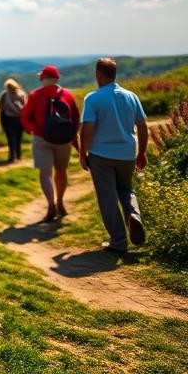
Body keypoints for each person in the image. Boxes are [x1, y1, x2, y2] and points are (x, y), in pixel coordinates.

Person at [79, 57, 149, 255]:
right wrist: (142, 152)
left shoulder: (92, 98)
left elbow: (88, 129)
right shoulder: (131, 96)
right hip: (127, 154)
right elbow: (143, 127)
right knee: (126, 189)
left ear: (98, 74)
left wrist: (83, 153)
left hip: (101, 154)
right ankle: (134, 215)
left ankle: (118, 241)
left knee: (107, 197)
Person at [20, 65, 80, 221]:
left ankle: (50, 203)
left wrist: (35, 130)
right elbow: (75, 118)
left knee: (45, 173)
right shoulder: (68, 95)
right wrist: (73, 137)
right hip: (64, 140)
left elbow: (25, 117)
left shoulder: (35, 95)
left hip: (42, 139)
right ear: (57, 78)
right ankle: (60, 202)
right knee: (61, 171)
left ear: (43, 78)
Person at [0, 78, 27, 163]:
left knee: (11, 138)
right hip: (19, 118)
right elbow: (25, 106)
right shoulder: (22, 93)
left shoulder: (4, 94)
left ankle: (12, 157)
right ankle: (19, 155)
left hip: (8, 118)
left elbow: (0, 107)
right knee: (19, 137)